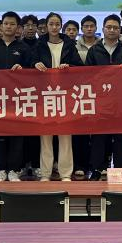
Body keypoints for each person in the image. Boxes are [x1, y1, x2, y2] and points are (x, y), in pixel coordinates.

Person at [85, 14, 122, 181]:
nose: (112, 30)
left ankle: (120, 170)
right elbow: (87, 75)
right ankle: (97, 169)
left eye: (115, 27)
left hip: (121, 101)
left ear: (120, 30)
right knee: (99, 137)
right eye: (109, 27)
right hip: (100, 101)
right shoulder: (94, 50)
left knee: (121, 137)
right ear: (103, 29)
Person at [33, 12, 83, 181]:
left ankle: (65, 173)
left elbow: (79, 67)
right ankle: (45, 173)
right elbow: (29, 64)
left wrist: (69, 67)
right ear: (46, 26)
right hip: (44, 94)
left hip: (65, 94)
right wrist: (35, 64)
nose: (54, 27)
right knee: (45, 136)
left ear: (61, 26)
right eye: (51, 24)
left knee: (65, 135)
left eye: (57, 24)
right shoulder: (39, 44)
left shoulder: (69, 44)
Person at [0, 11, 34, 181]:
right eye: (6, 23)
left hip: (17, 98)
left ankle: (14, 169)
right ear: (1, 25)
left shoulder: (24, 48)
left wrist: (23, 70)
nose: (8, 26)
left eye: (12, 24)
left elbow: (32, 71)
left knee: (16, 135)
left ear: (18, 28)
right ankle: (0, 169)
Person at [72, 15, 99, 179]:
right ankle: (80, 164)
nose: (89, 29)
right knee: (80, 131)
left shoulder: (102, 45)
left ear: (96, 28)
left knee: (97, 132)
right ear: (82, 29)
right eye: (86, 26)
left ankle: (96, 165)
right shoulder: (73, 45)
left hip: (99, 92)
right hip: (79, 93)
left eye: (92, 26)